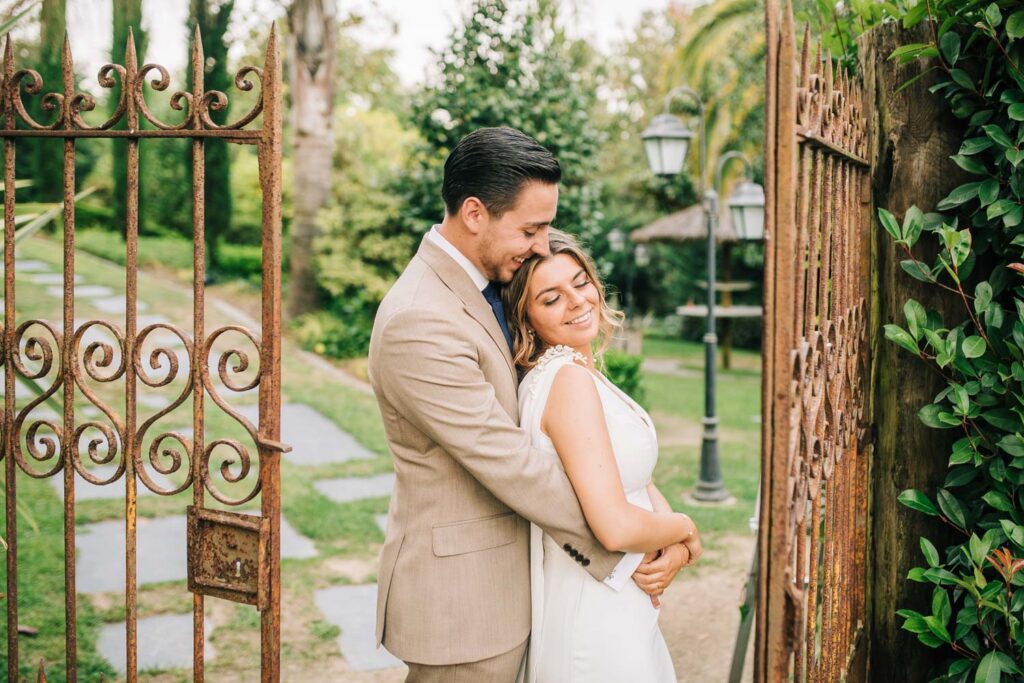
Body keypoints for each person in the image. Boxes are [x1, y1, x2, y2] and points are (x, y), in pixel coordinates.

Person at [367, 126, 695, 681]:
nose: (542, 244)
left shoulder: (484, 285)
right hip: (466, 605)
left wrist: (653, 523)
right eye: (531, 228)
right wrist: (645, 535)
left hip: (527, 584)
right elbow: (513, 465)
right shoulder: (419, 318)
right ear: (475, 214)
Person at [503, 228, 702, 682]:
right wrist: (688, 531)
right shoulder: (567, 382)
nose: (576, 301)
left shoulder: (577, 371)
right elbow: (613, 525)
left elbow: (637, 483)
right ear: (527, 318)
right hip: (595, 609)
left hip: (623, 601)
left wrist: (671, 548)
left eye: (579, 281)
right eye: (551, 298)